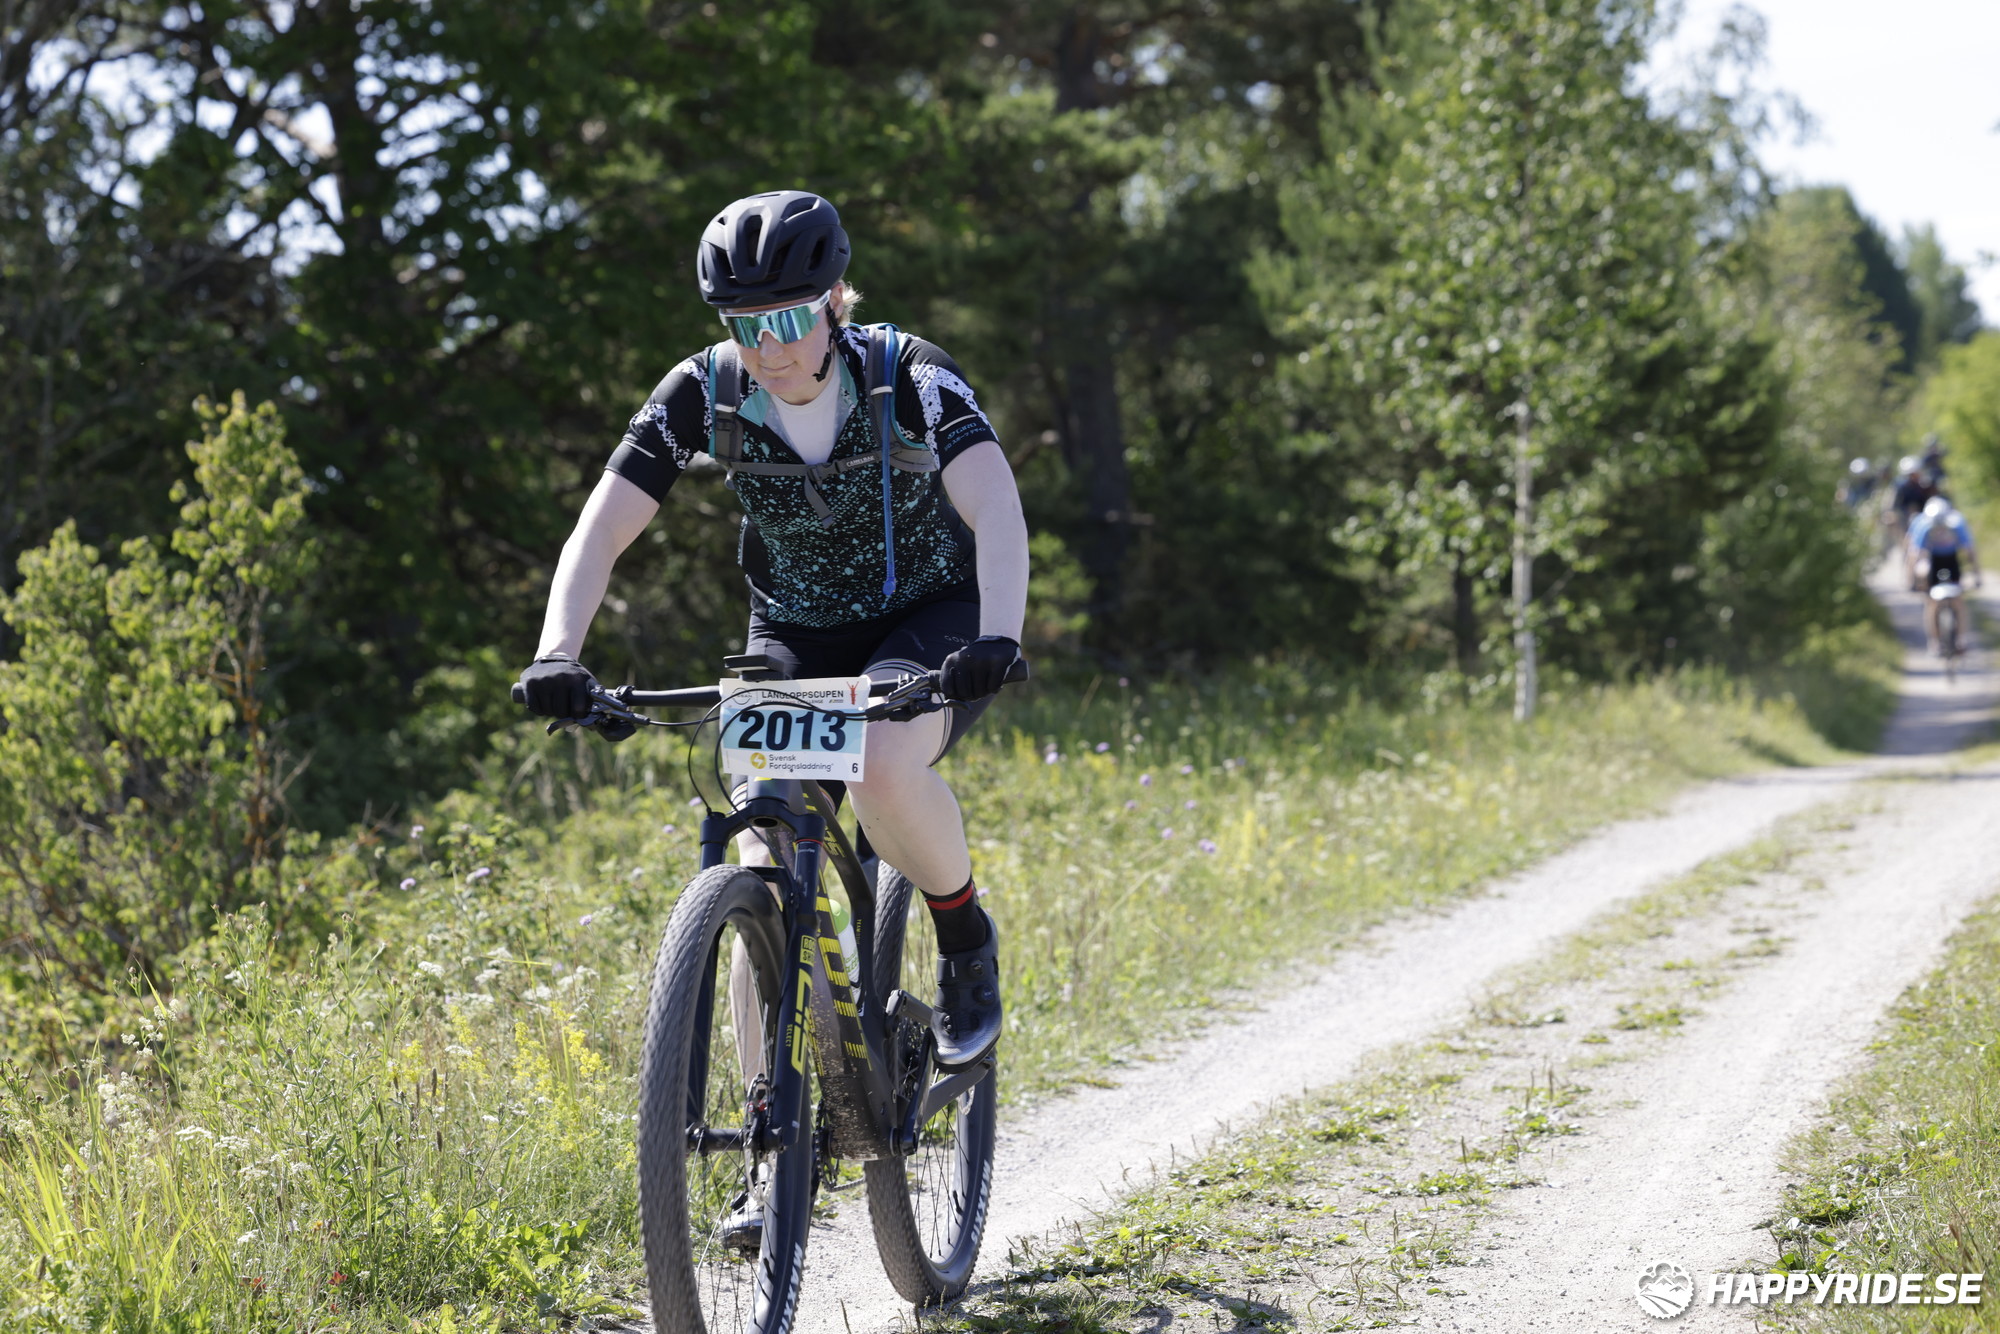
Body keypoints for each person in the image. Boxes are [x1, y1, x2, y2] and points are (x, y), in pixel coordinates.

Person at [516, 190, 1028, 1072]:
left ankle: (963, 937)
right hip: (793, 629)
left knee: (881, 764)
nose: (772, 348)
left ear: (835, 302)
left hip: (932, 616)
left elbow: (995, 501)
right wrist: (556, 654)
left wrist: (1000, 635)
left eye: (791, 319)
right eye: (746, 326)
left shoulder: (907, 372)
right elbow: (600, 530)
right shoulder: (702, 389)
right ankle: (766, 1123)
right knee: (761, 847)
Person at [1907, 496, 1981, 656]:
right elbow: (1915, 555)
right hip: (1934, 561)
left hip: (1951, 561)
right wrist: (1913, 580)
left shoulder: (1957, 524)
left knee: (1957, 600)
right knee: (1932, 602)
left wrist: (1976, 575)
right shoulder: (1924, 525)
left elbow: (1969, 551)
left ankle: (1961, 639)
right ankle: (1934, 641)